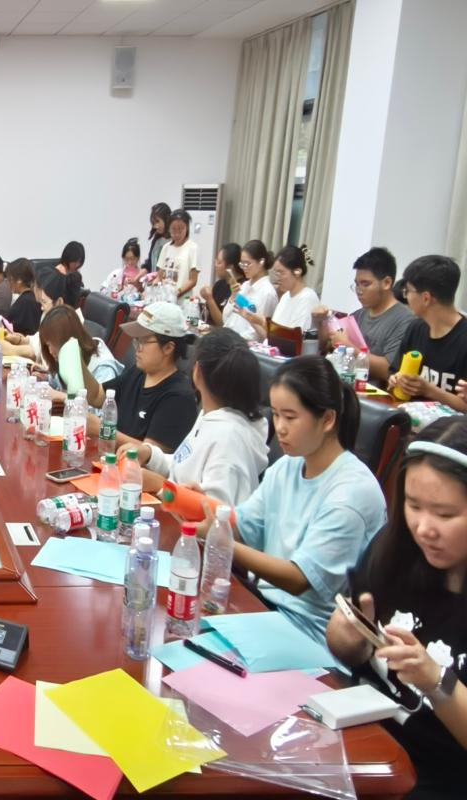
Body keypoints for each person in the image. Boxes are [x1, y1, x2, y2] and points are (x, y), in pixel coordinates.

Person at [200, 355, 387, 643]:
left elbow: (299, 579)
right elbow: (244, 526)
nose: (280, 427)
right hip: (264, 608)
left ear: (327, 420)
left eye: (290, 417)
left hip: (311, 635)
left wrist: (222, 543)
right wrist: (195, 503)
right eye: (275, 414)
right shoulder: (289, 465)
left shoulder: (352, 493)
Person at [326, 417, 467, 797]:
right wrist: (348, 640)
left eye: (445, 514)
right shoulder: (395, 551)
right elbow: (355, 658)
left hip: (430, 777)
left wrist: (435, 681)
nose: (424, 528)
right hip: (354, 739)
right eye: (413, 505)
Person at [134, 328, 268, 504]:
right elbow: (184, 464)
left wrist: (160, 486)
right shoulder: (211, 414)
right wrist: (150, 454)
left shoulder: (229, 439)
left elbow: (214, 511)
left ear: (197, 371)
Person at [82, 301, 198, 452]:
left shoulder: (178, 398)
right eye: (136, 340)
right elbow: (97, 396)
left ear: (168, 348)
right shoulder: (139, 372)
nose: (137, 348)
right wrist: (77, 361)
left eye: (144, 341)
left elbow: (151, 454)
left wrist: (102, 429)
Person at [318, 247, 414, 384]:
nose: (359, 291)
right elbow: (326, 349)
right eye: (357, 284)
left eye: (365, 284)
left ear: (387, 283)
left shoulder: (405, 320)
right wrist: (320, 322)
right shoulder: (357, 315)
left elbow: (388, 369)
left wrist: (348, 346)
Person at [388, 256, 467, 413]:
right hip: (409, 415)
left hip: (451, 425)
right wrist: (395, 380)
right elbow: (394, 373)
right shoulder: (415, 328)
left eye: (407, 291)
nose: (406, 297)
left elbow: (464, 406)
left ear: (426, 298)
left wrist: (428, 390)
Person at [38, 305, 123, 403]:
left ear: (64, 340)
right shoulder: (70, 354)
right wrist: (45, 378)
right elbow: (60, 382)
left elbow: (100, 410)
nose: (50, 351)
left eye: (50, 345)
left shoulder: (104, 370)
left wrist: (62, 397)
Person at [241, 245, 321, 337]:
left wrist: (262, 321)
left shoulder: (307, 298)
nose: (277, 278)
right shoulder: (285, 297)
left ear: (297, 272)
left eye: (281, 272)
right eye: (276, 273)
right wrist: (251, 318)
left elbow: (295, 338)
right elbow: (270, 336)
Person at [223, 240, 278, 340]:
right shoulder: (244, 285)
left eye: (247, 264)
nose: (244, 268)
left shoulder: (267, 293)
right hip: (230, 337)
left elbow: (259, 332)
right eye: (242, 264)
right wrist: (232, 297)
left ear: (261, 262)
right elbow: (226, 318)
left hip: (243, 343)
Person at [156, 209, 200, 301]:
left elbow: (192, 280)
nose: (176, 233)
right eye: (173, 229)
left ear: (187, 228)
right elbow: (159, 276)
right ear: (169, 229)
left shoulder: (192, 248)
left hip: (182, 301)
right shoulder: (166, 247)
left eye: (180, 229)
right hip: (164, 299)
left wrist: (177, 293)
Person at [198, 243, 244, 325]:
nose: (215, 265)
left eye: (219, 262)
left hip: (222, 332)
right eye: (216, 261)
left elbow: (223, 323)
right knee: (186, 321)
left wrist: (209, 298)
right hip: (207, 328)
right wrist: (196, 305)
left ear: (230, 267)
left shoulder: (241, 288)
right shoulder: (219, 284)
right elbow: (206, 316)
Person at [2, 257, 40, 336]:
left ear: (19, 280)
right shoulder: (28, 298)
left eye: (10, 279)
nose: (8, 283)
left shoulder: (26, 302)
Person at [143, 202, 172, 275]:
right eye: (153, 223)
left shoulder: (174, 241)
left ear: (166, 219)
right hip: (154, 281)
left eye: (157, 221)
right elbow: (149, 264)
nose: (155, 226)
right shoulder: (156, 240)